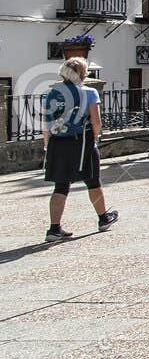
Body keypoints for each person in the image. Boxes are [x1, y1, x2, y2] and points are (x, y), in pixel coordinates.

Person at [41, 57, 118, 243]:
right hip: (82, 142)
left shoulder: (53, 93)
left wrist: (46, 144)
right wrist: (96, 137)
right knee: (93, 182)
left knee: (60, 186)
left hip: (58, 143)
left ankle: (54, 229)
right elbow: (96, 121)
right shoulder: (89, 92)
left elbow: (47, 124)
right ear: (83, 74)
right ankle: (103, 218)